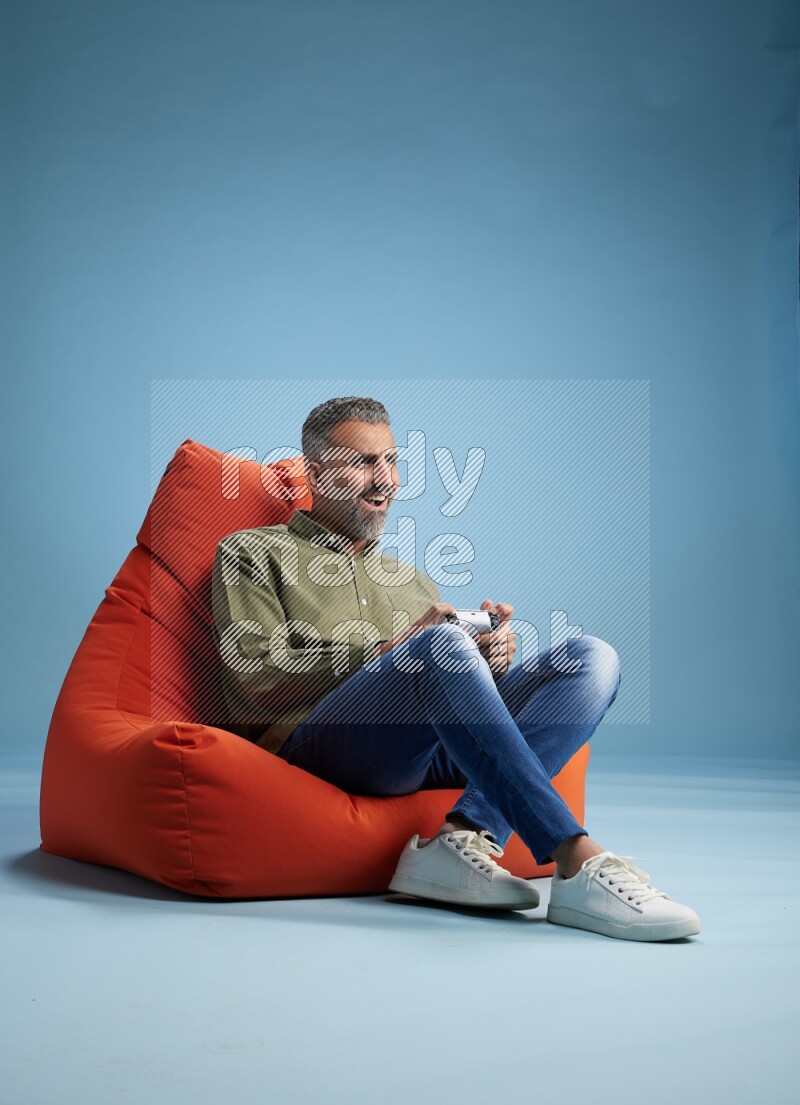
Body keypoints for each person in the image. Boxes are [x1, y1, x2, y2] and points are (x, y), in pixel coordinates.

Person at [211, 395, 701, 942]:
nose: (386, 480)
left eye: (392, 461)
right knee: (438, 644)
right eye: (363, 463)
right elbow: (253, 675)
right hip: (319, 748)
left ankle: (459, 837)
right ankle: (575, 857)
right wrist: (393, 645)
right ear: (315, 474)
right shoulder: (251, 552)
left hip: (425, 751)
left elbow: (449, 698)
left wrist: (488, 661)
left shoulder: (411, 581)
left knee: (591, 658)